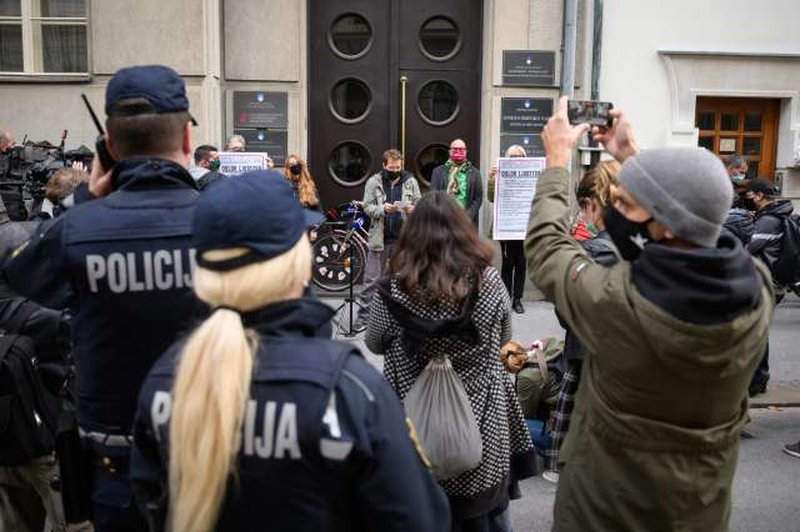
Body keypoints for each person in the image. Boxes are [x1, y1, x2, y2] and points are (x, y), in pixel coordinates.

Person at [129, 171, 450, 532]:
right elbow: (420, 519)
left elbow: (147, 505)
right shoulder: (350, 390)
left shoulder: (167, 378)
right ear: (294, 263)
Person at [526, 97, 772, 532]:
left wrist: (556, 161)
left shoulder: (618, 304)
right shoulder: (755, 287)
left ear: (663, 226)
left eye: (626, 203)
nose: (613, 211)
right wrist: (630, 154)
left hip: (607, 515)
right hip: (696, 512)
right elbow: (696, 220)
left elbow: (548, 249)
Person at [3, 64, 203, 532]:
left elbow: (17, 273)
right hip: (207, 453)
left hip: (115, 464)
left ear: (109, 147)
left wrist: (88, 200)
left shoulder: (76, 230)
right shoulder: (224, 222)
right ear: (188, 141)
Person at [365, 191, 536, 531]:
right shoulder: (489, 283)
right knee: (488, 515)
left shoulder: (395, 289)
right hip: (482, 422)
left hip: (414, 422)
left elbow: (374, 343)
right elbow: (504, 342)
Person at [542, 159, 621, 483]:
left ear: (591, 206)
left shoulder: (594, 250)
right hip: (626, 350)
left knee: (573, 407)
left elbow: (568, 305)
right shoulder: (646, 242)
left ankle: (561, 465)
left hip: (589, 345)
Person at [353, 149, 420, 331]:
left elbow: (419, 204)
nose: (395, 169)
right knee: (371, 281)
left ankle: (404, 319)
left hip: (404, 240)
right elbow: (367, 207)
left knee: (406, 281)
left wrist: (412, 209)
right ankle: (364, 319)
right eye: (391, 167)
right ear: (384, 165)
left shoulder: (410, 181)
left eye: (398, 167)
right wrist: (383, 209)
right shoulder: (374, 182)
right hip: (379, 239)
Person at [744, 178, 793, 396]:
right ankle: (758, 379)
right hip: (773, 282)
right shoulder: (775, 215)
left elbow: (748, 247)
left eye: (750, 194)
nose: (748, 198)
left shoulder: (769, 221)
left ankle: (757, 380)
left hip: (766, 282)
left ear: (760, 196)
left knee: (756, 332)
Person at [488, 144, 528, 314]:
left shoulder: (529, 176)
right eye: (513, 157)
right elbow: (491, 198)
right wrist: (492, 179)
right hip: (506, 225)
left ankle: (517, 299)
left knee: (521, 263)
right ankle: (506, 298)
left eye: (520, 157)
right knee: (508, 262)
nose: (516, 160)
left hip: (523, 226)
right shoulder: (499, 174)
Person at [431, 139, 483, 228]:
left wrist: (467, 217)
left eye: (461, 149)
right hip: (443, 221)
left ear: (466, 152)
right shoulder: (438, 172)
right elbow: (433, 195)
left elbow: (478, 198)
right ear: (450, 151)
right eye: (455, 149)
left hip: (467, 222)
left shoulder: (475, 173)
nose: (458, 152)